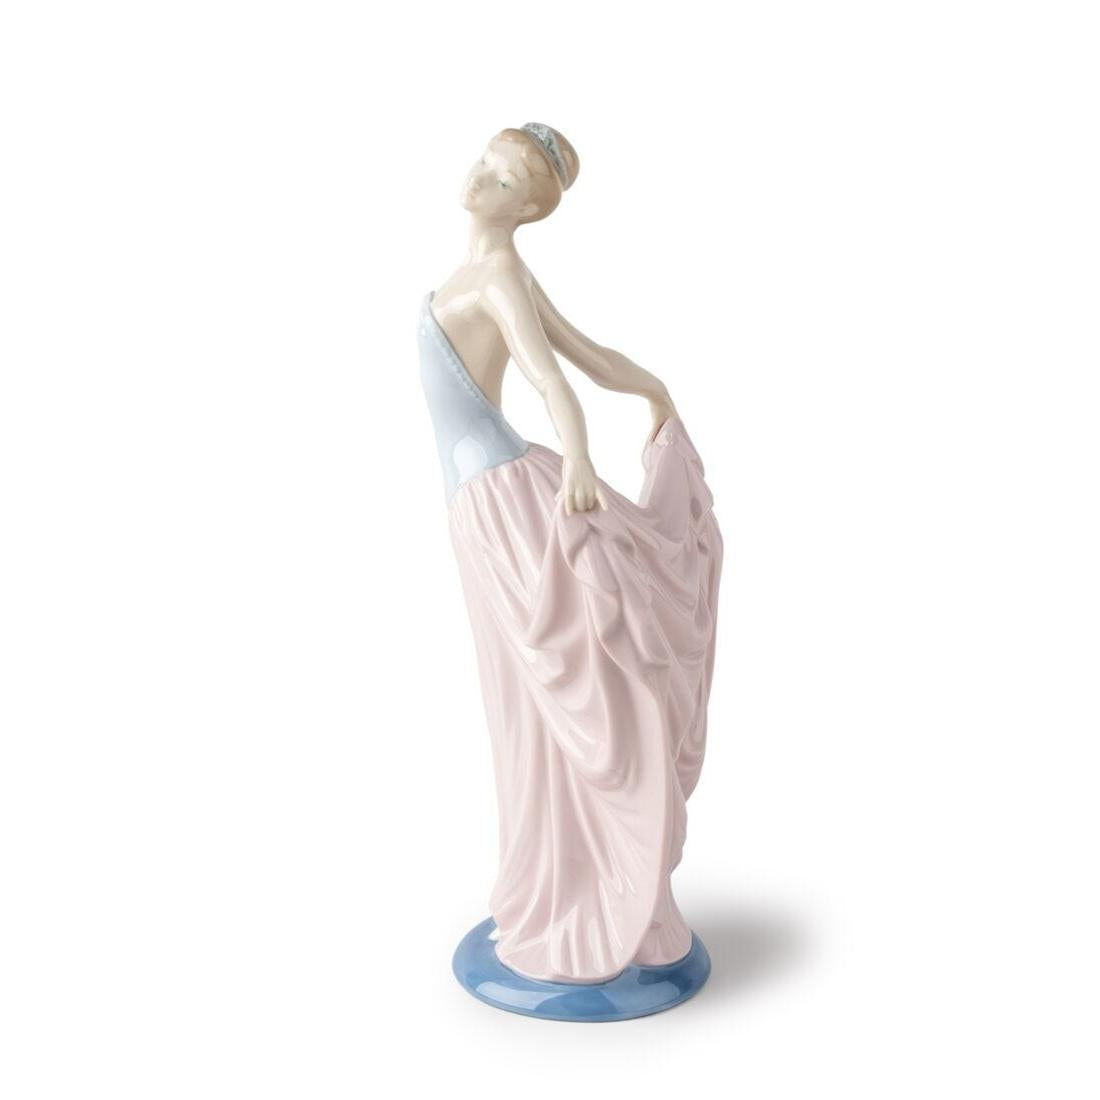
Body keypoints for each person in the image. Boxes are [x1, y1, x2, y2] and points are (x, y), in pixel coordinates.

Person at [418, 123, 722, 984]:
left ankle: (582, 885)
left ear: (526, 209)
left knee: (547, 691)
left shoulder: (499, 277)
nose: (479, 179)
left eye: (503, 179)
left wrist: (583, 457)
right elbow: (588, 354)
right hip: (493, 493)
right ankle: (566, 871)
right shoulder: (486, 275)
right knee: (528, 696)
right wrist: (652, 387)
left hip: (501, 502)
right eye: (485, 160)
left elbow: (556, 373)